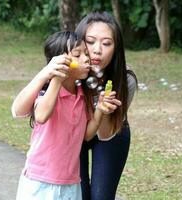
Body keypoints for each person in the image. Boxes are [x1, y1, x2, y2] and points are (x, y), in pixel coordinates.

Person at [12, 30, 121, 200]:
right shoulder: (47, 91)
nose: (86, 58)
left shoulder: (82, 95)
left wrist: (99, 108)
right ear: (59, 61)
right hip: (39, 182)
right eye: (78, 55)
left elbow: (86, 135)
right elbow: (41, 116)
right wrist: (56, 78)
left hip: (71, 183)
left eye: (86, 53)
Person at [75, 11, 137, 200]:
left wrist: (103, 107)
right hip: (75, 132)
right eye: (91, 41)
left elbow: (104, 134)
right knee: (79, 195)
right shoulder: (69, 74)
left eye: (106, 43)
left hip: (110, 134)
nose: (97, 50)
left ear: (116, 48)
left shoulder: (125, 80)